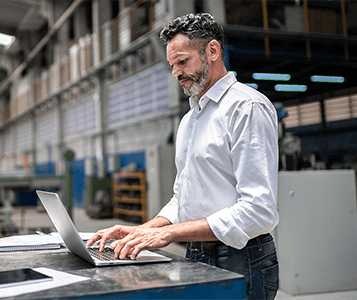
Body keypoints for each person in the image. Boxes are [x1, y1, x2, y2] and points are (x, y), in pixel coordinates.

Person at [87, 13, 279, 300]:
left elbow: (258, 210)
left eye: (183, 62)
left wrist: (169, 235)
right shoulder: (191, 119)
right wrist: (142, 230)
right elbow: (184, 198)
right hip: (196, 251)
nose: (176, 72)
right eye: (172, 65)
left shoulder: (246, 108)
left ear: (212, 51)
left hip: (241, 258)